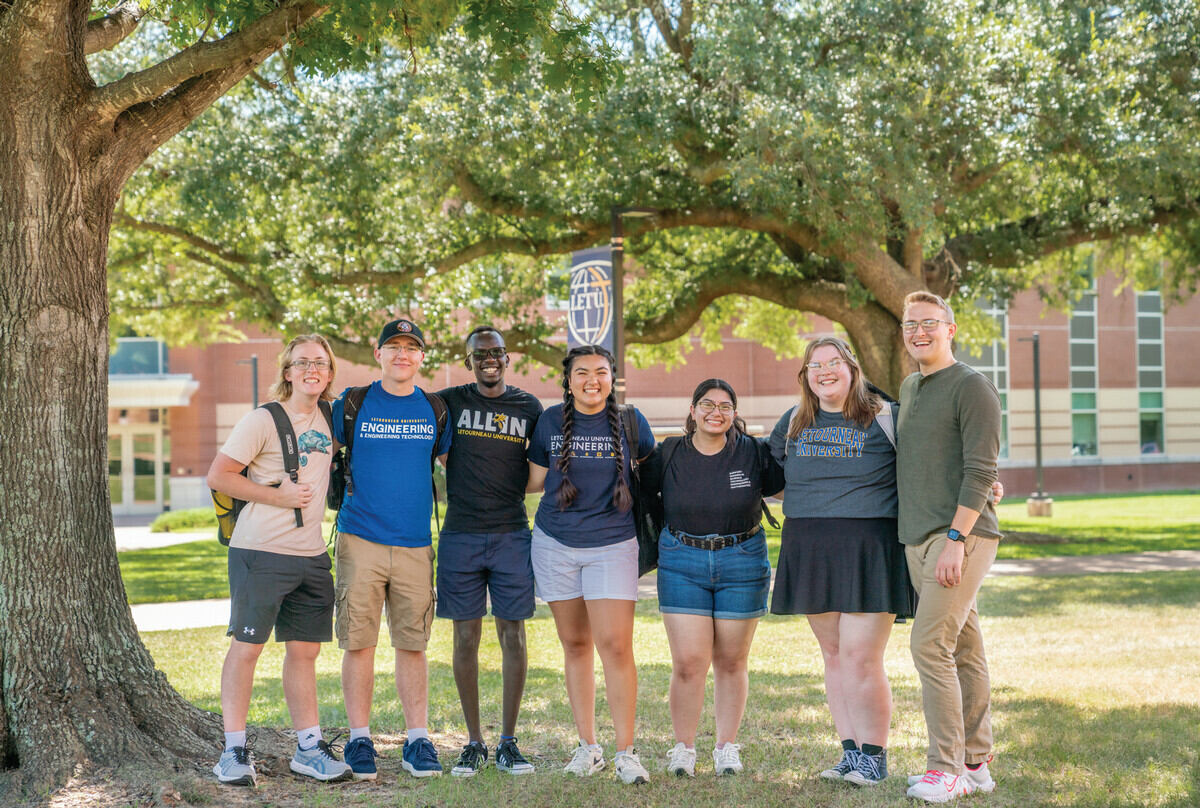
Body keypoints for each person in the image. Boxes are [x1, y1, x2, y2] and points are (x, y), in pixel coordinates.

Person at [768, 336, 915, 788]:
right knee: (833, 655)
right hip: (809, 543)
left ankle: (875, 757)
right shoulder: (793, 421)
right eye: (815, 366)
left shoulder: (886, 414)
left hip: (869, 544)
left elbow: (928, 464)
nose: (824, 371)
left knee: (860, 657)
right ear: (806, 376)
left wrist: (984, 484)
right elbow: (769, 477)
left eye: (834, 363)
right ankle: (851, 754)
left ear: (852, 368)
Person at [207, 335, 352, 786]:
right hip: (261, 552)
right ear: (287, 371)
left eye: (321, 363)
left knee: (304, 652)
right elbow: (219, 476)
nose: (312, 369)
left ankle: (308, 748)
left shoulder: (331, 416)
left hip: (311, 555)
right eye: (302, 362)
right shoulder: (262, 420)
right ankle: (233, 752)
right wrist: (277, 494)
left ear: (329, 374)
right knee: (247, 648)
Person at [525, 345, 657, 785]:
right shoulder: (548, 421)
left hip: (612, 544)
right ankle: (588, 747)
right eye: (582, 373)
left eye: (600, 372)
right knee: (575, 645)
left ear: (612, 378)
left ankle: (626, 752)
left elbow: (655, 480)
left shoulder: (632, 423)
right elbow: (533, 481)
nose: (591, 381)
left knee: (615, 647)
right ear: (568, 380)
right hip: (554, 543)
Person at [645, 379, 784, 777]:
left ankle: (726, 747)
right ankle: (684, 748)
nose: (715, 412)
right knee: (689, 662)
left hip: (741, 559)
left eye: (725, 406)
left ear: (734, 414)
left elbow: (784, 485)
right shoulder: (669, 453)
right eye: (707, 404)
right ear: (692, 411)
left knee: (730, 660)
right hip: (682, 560)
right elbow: (646, 499)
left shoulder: (754, 453)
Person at [333, 318, 453, 780]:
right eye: (394, 347)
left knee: (412, 643)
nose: (402, 354)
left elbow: (451, 463)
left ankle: (417, 740)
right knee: (359, 641)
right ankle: (359, 738)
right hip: (359, 538)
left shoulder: (435, 410)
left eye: (411, 347)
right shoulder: (353, 404)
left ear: (422, 357)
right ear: (378, 354)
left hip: (415, 545)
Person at [896, 292, 1002, 803]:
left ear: (951, 329)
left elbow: (982, 468)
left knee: (928, 645)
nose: (919, 332)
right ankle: (977, 763)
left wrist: (957, 541)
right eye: (910, 324)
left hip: (959, 535)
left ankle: (945, 769)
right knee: (963, 647)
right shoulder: (911, 386)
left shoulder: (972, 386)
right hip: (918, 537)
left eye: (929, 324)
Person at [435, 327, 544, 777]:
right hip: (460, 534)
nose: (489, 360)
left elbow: (540, 468)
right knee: (465, 637)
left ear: (507, 358)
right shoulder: (448, 402)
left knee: (513, 635)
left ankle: (508, 742)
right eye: (480, 355)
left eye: (496, 353)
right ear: (469, 362)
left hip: (511, 533)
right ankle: (474, 742)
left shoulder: (529, 407)